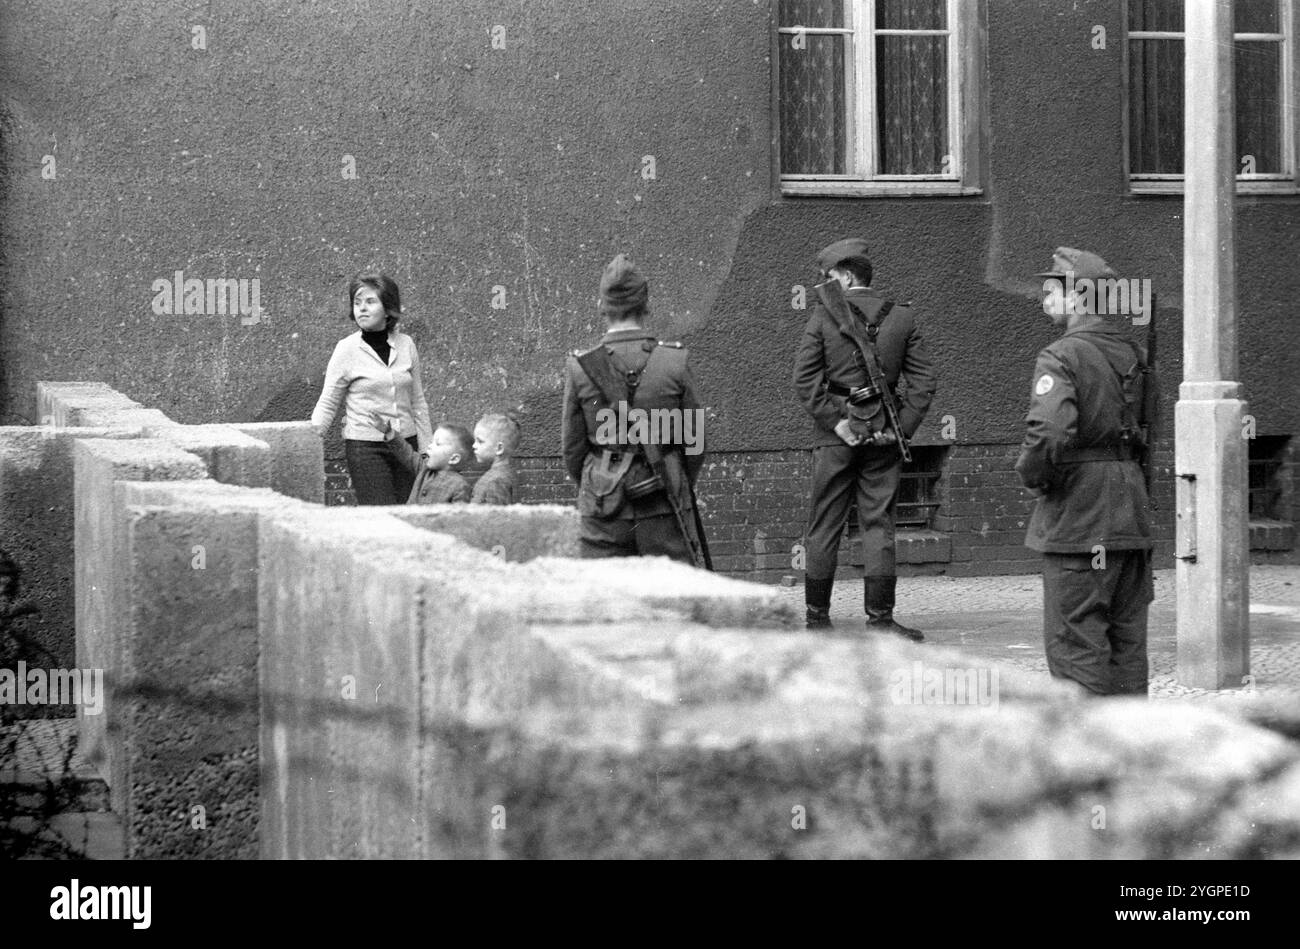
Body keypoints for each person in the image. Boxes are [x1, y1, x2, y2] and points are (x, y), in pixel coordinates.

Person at [1016, 247, 1155, 696]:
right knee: (1127, 647)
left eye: (1052, 287)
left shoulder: (1061, 355)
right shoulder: (1133, 353)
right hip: (1130, 512)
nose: (1043, 295)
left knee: (1077, 645)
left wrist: (1035, 476)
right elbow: (1149, 433)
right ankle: (1133, 756)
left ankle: (1088, 758)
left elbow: (1050, 432)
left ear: (1077, 297)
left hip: (1079, 515)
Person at [792, 238, 938, 638]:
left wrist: (837, 422)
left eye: (830, 276)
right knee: (878, 525)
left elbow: (804, 380)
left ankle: (817, 621)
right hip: (884, 433)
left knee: (824, 526)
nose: (825, 283)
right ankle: (881, 621)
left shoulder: (823, 318)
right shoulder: (901, 318)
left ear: (847, 275)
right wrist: (899, 429)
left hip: (835, 437)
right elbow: (924, 383)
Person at [561, 254, 706, 564]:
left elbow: (572, 450)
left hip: (602, 504)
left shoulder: (580, 367)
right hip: (664, 503)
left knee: (604, 598)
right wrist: (674, 477)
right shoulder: (674, 363)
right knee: (671, 600)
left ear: (602, 306)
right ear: (646, 305)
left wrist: (600, 479)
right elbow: (695, 444)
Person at [310, 272, 433, 505]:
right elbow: (328, 402)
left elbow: (418, 401)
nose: (361, 309)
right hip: (366, 449)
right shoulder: (346, 349)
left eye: (370, 302)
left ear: (388, 308)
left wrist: (427, 450)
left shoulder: (406, 344)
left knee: (411, 515)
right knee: (381, 515)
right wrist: (309, 440)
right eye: (357, 303)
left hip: (408, 446)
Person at [376, 418, 473, 504]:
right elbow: (407, 453)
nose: (430, 446)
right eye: (431, 442)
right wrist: (389, 433)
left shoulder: (460, 486)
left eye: (437, 443)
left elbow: (460, 518)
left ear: (454, 459)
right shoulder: (424, 470)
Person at [470, 413, 520, 505]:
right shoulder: (500, 475)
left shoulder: (497, 480)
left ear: (499, 448)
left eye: (480, 441)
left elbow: (497, 517)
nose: (474, 446)